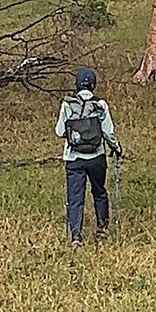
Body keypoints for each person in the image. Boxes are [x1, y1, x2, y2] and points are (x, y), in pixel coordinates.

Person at [55, 66, 121, 246]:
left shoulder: (67, 104)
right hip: (97, 157)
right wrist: (117, 148)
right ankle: (102, 228)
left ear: (77, 85)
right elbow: (108, 133)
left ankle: (76, 236)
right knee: (99, 192)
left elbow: (60, 131)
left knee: (75, 197)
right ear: (93, 85)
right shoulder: (100, 105)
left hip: (73, 159)